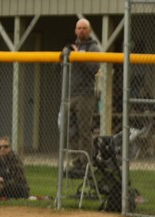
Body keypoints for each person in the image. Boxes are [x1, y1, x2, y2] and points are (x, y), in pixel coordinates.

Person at [66, 18, 101, 178]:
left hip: (85, 95)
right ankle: (76, 162)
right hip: (70, 94)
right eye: (79, 28)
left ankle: (86, 164)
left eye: (84, 28)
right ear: (75, 30)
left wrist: (79, 55)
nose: (81, 31)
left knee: (84, 130)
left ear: (89, 30)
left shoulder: (93, 47)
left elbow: (94, 68)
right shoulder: (71, 47)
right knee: (70, 130)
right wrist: (66, 54)